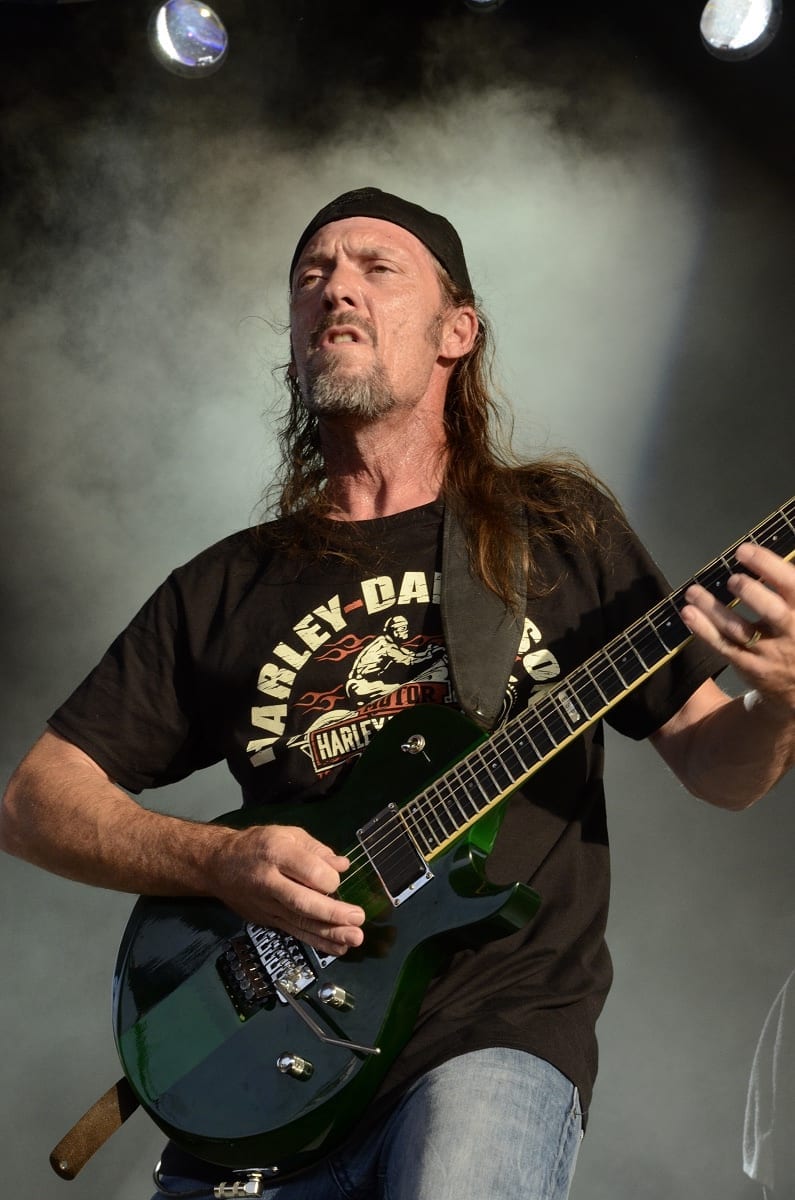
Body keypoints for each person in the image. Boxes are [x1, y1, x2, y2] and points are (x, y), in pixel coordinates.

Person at [1, 187, 794, 1200]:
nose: (336, 289)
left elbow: (719, 767)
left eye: (377, 269)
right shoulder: (226, 585)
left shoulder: (557, 529)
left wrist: (783, 699)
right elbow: (35, 803)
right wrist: (223, 859)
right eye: (312, 275)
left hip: (485, 1038)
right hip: (266, 1060)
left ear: (457, 331)